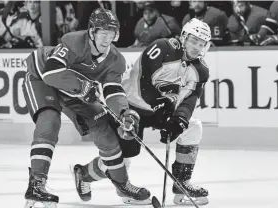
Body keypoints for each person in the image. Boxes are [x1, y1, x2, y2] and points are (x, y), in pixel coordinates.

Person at [74, 18, 211, 206]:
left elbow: (190, 99)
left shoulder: (201, 70)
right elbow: (141, 80)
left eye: (201, 43)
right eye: (194, 41)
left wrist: (180, 119)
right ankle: (84, 174)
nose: (197, 47)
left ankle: (181, 183)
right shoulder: (163, 48)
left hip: (157, 110)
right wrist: (159, 104)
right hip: (130, 106)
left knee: (192, 127)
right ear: (184, 37)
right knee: (123, 156)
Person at [23, 8, 151, 208]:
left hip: (74, 88)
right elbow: (51, 73)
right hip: (41, 77)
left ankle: (122, 184)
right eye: (103, 33)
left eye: (111, 33)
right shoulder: (74, 41)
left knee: (104, 131)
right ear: (92, 31)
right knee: (50, 120)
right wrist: (82, 87)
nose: (107, 38)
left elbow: (114, 92)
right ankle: (37, 183)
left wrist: (124, 113)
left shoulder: (116, 60)